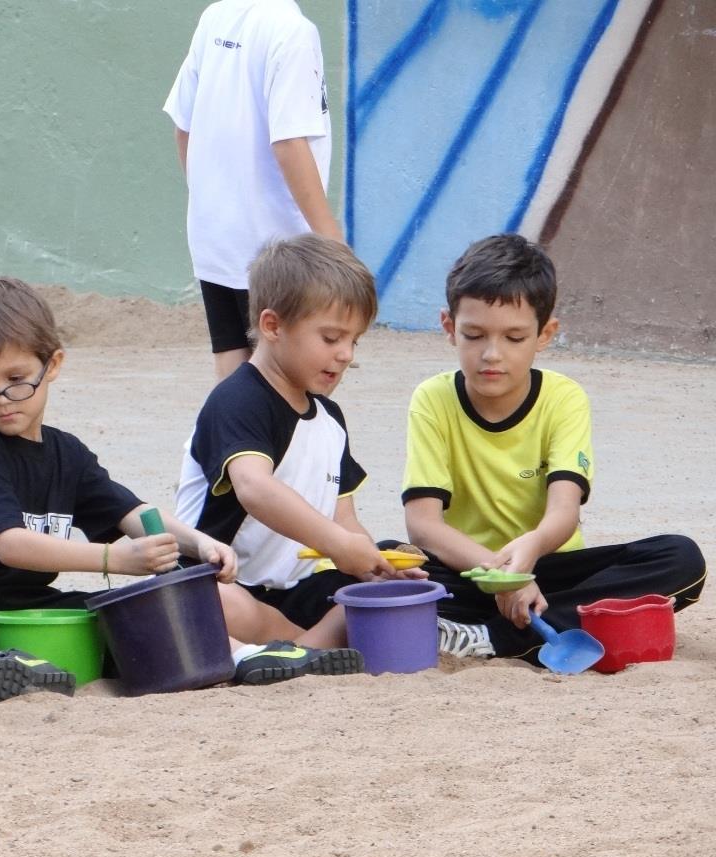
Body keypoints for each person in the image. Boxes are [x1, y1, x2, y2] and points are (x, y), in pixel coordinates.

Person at [0, 277, 340, 702]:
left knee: (126, 613)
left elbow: (132, 511)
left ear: (54, 364)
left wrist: (200, 542)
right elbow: (10, 546)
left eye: (17, 380)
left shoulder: (66, 454)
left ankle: (243, 658)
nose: (1, 399)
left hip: (22, 620)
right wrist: (115, 559)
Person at [402, 233, 707, 661]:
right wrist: (500, 576)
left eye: (514, 337)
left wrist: (525, 563)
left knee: (681, 559)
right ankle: (525, 627)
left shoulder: (565, 399)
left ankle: (490, 638)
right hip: (469, 568)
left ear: (545, 334)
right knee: (389, 561)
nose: (492, 354)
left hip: (549, 570)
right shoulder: (432, 399)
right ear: (449, 327)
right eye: (474, 335)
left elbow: (563, 514)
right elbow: (423, 525)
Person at [176, 233, 423, 658]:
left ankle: (292, 649)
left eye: (354, 341)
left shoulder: (330, 420)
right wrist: (338, 544)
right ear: (273, 326)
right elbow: (254, 488)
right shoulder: (239, 399)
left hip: (294, 588)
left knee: (393, 581)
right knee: (208, 602)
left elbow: (344, 519)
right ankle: (303, 647)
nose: (345, 354)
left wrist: (375, 567)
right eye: (330, 338)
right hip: (223, 581)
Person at [165, 0, 344, 381]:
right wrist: (330, 239)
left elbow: (184, 127)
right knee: (287, 376)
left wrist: (211, 202)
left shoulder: (215, 17)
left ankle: (232, 442)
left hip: (214, 237)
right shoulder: (294, 32)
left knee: (231, 365)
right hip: (278, 251)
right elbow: (289, 143)